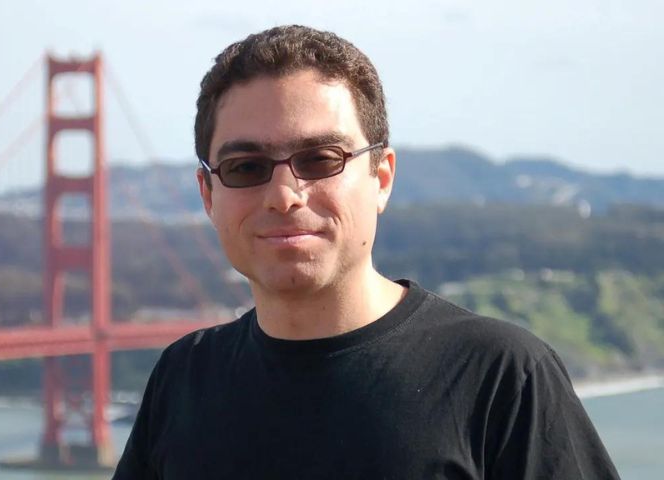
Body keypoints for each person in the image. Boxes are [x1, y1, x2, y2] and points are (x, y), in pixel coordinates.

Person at [113, 25, 619, 479]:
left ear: (382, 178)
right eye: (246, 167)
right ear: (208, 195)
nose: (285, 195)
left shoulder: (501, 376)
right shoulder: (183, 379)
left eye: (320, 159)